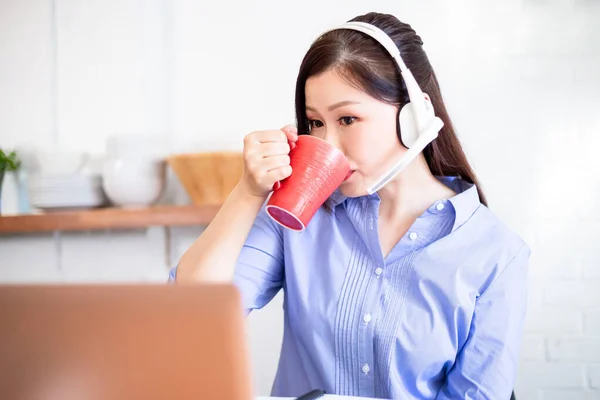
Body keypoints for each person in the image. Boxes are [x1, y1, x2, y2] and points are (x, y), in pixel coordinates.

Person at [171, 11, 530, 400]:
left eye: (347, 119)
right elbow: (192, 313)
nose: (327, 146)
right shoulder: (299, 216)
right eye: (315, 123)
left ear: (415, 115)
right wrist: (248, 191)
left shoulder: (496, 254)